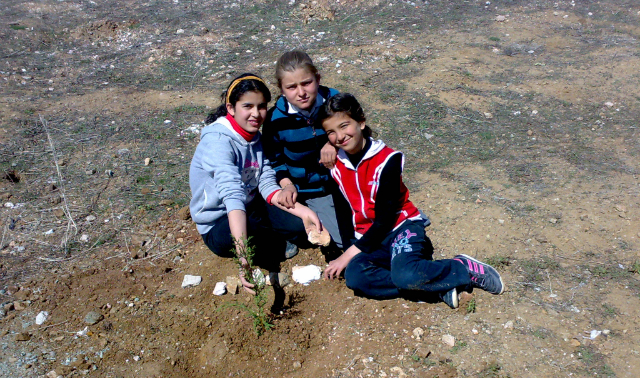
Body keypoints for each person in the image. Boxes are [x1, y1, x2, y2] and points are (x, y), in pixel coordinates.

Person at [317, 93, 504, 308]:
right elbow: (342, 208)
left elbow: (385, 220)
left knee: (405, 275)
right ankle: (436, 288)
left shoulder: (388, 160)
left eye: (344, 126)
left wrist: (348, 255)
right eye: (331, 132)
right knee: (356, 278)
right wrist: (350, 247)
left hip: (399, 228)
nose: (339, 136)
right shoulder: (335, 163)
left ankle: (463, 268)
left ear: (361, 122)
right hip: (368, 237)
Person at [189, 73, 322, 293]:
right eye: (247, 106)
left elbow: (267, 183)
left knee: (298, 225)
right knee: (250, 230)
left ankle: (271, 239)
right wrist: (244, 261)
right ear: (231, 108)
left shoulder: (255, 138)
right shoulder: (218, 142)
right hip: (220, 221)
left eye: (261, 106)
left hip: (251, 206)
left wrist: (305, 213)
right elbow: (232, 198)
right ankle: (264, 245)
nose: (256, 114)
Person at [262, 51, 353, 256]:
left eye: (307, 83)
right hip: (311, 190)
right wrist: (286, 184)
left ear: (318, 79)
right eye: (292, 87)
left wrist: (335, 143)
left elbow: (358, 132)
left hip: (344, 179)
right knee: (344, 237)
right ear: (281, 89)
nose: (301, 92)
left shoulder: (335, 100)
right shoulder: (275, 120)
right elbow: (275, 160)